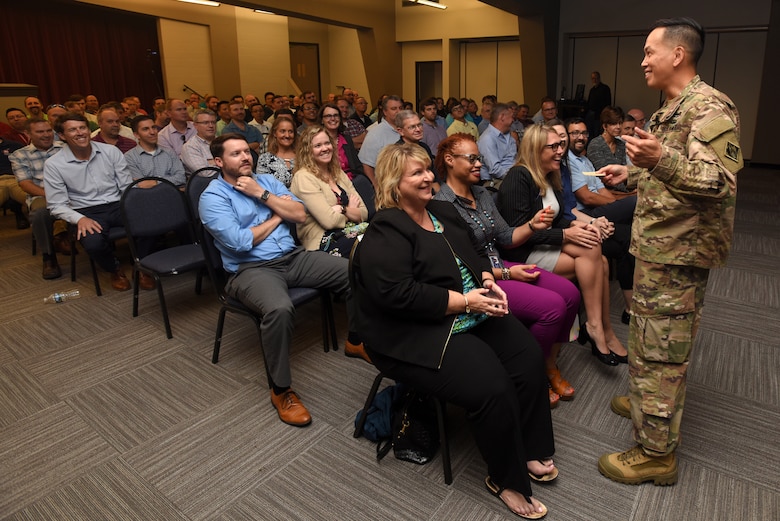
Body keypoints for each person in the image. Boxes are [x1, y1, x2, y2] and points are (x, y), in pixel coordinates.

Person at [354, 142, 555, 519]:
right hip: (419, 328)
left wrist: (485, 279)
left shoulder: (443, 210)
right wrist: (466, 302)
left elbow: (475, 251)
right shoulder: (386, 229)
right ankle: (505, 478)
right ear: (395, 183)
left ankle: (528, 446)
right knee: (491, 385)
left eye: (428, 169)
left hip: (470, 310)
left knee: (527, 355)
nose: (429, 177)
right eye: (417, 173)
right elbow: (398, 295)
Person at [597, 17, 742, 486]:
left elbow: (718, 182)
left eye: (648, 51)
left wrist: (658, 159)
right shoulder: (670, 108)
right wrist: (632, 174)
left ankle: (656, 453)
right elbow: (665, 171)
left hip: (680, 253)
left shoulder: (710, 108)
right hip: (657, 245)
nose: (642, 61)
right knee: (646, 333)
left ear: (677, 54)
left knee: (663, 349)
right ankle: (644, 400)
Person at [199, 134, 367, 426]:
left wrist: (262, 196)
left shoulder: (265, 182)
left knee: (354, 270)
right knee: (279, 309)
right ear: (219, 162)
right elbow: (240, 242)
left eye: (246, 151)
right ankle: (281, 390)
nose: (245, 157)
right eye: (235, 154)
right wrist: (278, 213)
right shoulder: (212, 197)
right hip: (251, 270)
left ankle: (355, 340)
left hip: (293, 258)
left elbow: (300, 214)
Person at [434, 133, 580, 408]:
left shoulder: (482, 193)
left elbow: (505, 236)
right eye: (472, 158)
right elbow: (463, 263)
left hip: (502, 265)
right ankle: (529, 374)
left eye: (480, 158)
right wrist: (507, 274)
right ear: (450, 161)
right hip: (482, 280)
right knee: (553, 307)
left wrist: (533, 226)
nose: (479, 164)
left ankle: (548, 362)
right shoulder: (442, 205)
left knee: (570, 293)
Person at [497, 124, 627, 366]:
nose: (560, 151)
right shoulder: (519, 177)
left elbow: (557, 219)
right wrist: (566, 236)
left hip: (545, 244)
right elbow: (515, 235)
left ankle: (601, 327)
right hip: (523, 254)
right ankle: (598, 327)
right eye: (554, 146)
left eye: (561, 145)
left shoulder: (549, 175)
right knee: (596, 256)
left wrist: (584, 227)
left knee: (597, 251)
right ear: (536, 149)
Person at [43, 113, 133, 291]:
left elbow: (126, 186)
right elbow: (56, 205)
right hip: (86, 211)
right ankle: (114, 269)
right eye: (72, 130)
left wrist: (133, 207)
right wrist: (80, 220)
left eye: (82, 127)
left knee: (151, 223)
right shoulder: (54, 164)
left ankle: (144, 267)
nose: (80, 133)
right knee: (93, 244)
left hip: (118, 204)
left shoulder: (110, 151)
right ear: (62, 136)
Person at [290, 126, 368, 256]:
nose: (325, 148)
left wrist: (343, 209)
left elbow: (364, 212)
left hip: (351, 231)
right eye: (318, 145)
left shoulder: (338, 173)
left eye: (327, 143)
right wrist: (351, 210)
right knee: (370, 245)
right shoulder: (303, 177)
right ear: (307, 151)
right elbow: (329, 221)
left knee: (384, 235)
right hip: (323, 241)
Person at [10, 118, 68, 278]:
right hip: (42, 194)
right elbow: (25, 184)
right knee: (40, 213)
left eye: (49, 131)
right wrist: (53, 195)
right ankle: (49, 257)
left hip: (72, 192)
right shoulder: (20, 155)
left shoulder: (65, 148)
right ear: (28, 133)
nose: (46, 135)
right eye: (40, 132)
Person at [318, 103, 375, 217]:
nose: (333, 118)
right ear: (322, 120)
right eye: (328, 116)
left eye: (335, 115)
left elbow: (357, 165)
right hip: (331, 186)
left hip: (352, 183)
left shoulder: (346, 139)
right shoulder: (317, 142)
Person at [124, 115, 186, 189]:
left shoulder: (169, 152)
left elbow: (181, 178)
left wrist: (155, 182)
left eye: (153, 127)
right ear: (137, 135)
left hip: (173, 196)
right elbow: (141, 185)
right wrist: (169, 180)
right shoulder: (130, 157)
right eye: (145, 129)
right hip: (147, 198)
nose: (152, 132)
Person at [587, 106, 634, 195]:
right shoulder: (596, 144)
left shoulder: (621, 144)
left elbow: (623, 172)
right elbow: (603, 177)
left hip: (622, 189)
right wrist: (629, 193)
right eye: (614, 124)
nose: (618, 127)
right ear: (605, 126)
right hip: (603, 192)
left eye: (620, 123)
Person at [478, 103, 517, 188]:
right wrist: (516, 176)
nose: (513, 120)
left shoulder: (509, 136)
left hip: (512, 178)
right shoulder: (487, 138)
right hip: (494, 183)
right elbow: (495, 170)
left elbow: (513, 159)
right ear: (502, 117)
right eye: (511, 117)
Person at [255, 117, 298, 187]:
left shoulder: (302, 157)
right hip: (275, 197)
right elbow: (263, 186)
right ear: (275, 133)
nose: (287, 135)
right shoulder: (265, 159)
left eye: (290, 131)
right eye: (282, 131)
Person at [180, 109, 218, 176]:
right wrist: (226, 163)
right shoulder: (190, 147)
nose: (211, 126)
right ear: (195, 125)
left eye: (213, 122)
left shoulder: (224, 142)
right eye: (206, 123)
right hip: (206, 184)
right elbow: (205, 173)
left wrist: (212, 162)